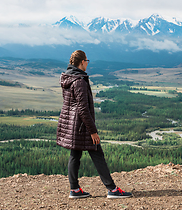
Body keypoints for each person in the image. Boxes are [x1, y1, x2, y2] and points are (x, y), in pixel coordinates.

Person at [56, 50, 132, 199]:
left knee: (75, 155)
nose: (87, 64)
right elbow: (83, 109)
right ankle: (112, 189)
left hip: (73, 125)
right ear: (82, 62)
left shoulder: (68, 78)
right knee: (97, 154)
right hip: (81, 126)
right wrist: (93, 131)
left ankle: (75, 190)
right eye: (87, 61)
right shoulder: (79, 81)